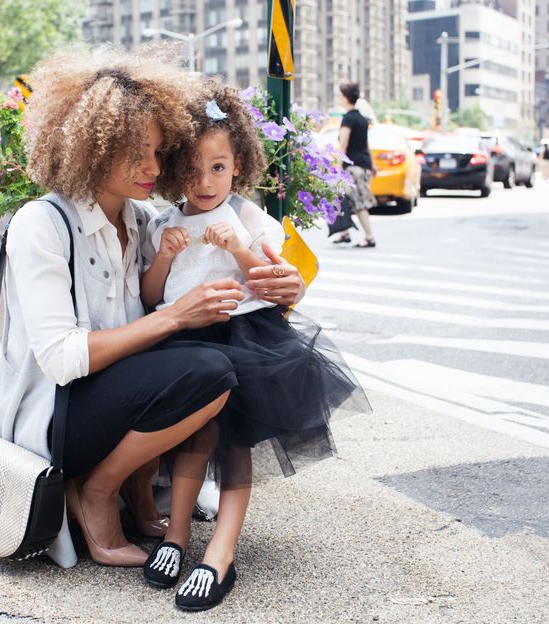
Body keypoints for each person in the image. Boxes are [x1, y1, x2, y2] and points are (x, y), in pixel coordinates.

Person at [0, 47, 305, 571]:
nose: (153, 168)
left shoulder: (143, 222)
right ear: (92, 148)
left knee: (211, 367)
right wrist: (175, 316)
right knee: (207, 369)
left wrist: (288, 287)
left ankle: (139, 495)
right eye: (137, 152)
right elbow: (61, 358)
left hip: (117, 402)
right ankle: (96, 490)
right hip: (58, 415)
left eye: (160, 153)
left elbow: (233, 266)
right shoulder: (40, 224)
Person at [141, 80, 369, 611]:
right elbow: (153, 295)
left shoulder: (247, 217)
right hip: (184, 338)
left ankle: (220, 551)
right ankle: (176, 536)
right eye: (193, 169)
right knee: (192, 437)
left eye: (217, 168)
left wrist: (240, 249)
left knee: (234, 440)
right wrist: (165, 259)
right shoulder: (164, 223)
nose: (204, 181)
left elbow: (275, 279)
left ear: (237, 165)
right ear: (176, 170)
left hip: (245, 339)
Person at [332, 82, 378, 248]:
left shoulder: (349, 118)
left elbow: (343, 146)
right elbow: (366, 145)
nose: (339, 98)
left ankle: (370, 236)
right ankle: (344, 233)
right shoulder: (362, 119)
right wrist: (372, 165)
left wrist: (337, 168)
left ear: (345, 97)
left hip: (353, 167)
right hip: (364, 165)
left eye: (340, 95)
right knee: (343, 197)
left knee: (358, 202)